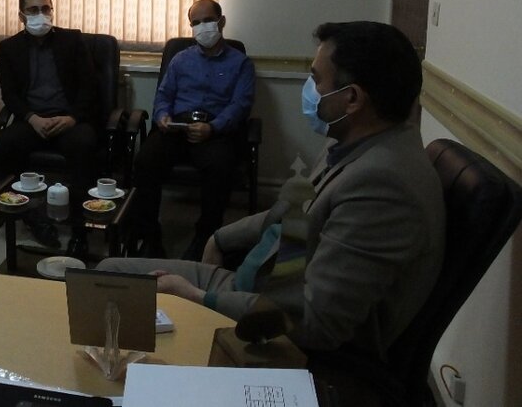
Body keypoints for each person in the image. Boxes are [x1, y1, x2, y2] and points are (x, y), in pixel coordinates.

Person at [99, 21, 445, 359]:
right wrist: (219, 238)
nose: (310, 90)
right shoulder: (351, 142)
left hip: (271, 315)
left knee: (108, 290)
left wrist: (198, 298)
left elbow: (317, 322)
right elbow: (287, 211)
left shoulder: (382, 184)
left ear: (351, 98)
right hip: (256, 281)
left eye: (316, 79)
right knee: (109, 273)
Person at [129, 0, 255, 259]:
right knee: (145, 161)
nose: (202, 27)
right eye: (195, 23)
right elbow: (164, 96)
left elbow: (240, 105)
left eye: (207, 20)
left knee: (219, 167)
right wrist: (163, 116)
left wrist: (213, 128)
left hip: (214, 129)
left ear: (221, 22)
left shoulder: (240, 63)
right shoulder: (180, 59)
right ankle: (149, 236)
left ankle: (204, 238)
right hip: (177, 125)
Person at [0, 0, 99, 256]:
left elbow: (89, 87)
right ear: (21, 16)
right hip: (34, 120)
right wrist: (31, 118)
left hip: (68, 119)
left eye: (45, 8)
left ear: (52, 11)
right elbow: (10, 94)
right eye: (33, 10)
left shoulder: (72, 41)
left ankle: (80, 228)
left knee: (85, 145)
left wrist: (72, 117)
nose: (41, 14)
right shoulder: (9, 48)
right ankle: (29, 217)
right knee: (5, 145)